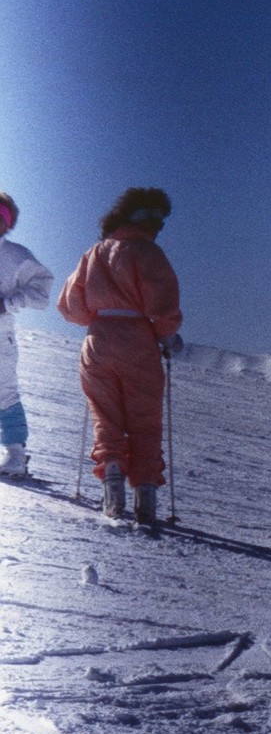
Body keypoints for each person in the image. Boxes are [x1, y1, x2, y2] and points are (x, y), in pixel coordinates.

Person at [56, 189, 182, 528]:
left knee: (105, 416)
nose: (158, 226)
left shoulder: (94, 253)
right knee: (144, 420)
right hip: (138, 340)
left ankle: (111, 491)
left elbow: (71, 306)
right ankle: (146, 501)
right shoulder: (148, 253)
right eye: (156, 219)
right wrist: (169, 336)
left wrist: (99, 313)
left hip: (98, 340)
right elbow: (162, 303)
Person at [0, 195, 56, 480]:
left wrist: (7, 303)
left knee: (4, 391)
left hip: (0, 336)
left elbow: (42, 291)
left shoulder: (16, 256)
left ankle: (16, 454)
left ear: (5, 224)